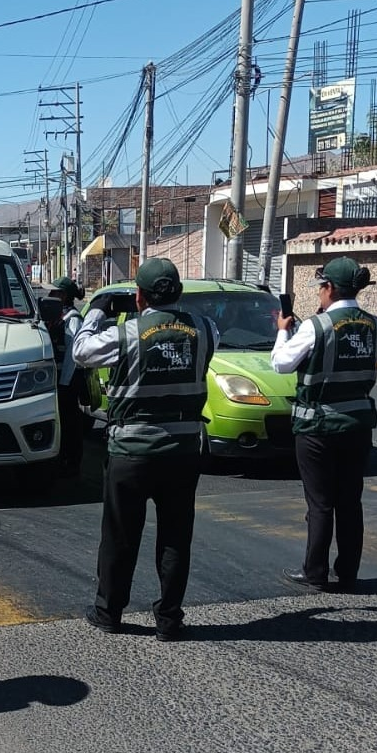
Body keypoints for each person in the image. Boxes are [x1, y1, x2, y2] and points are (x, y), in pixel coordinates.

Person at [73, 257, 218, 640]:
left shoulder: (129, 334)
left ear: (138, 297)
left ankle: (109, 611)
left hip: (132, 451)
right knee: (175, 535)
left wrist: (96, 315)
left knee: (120, 534)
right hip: (183, 451)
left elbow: (82, 353)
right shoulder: (205, 330)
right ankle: (169, 618)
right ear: (180, 294)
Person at [271, 256, 377, 593]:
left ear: (330, 288)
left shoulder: (316, 326)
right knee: (350, 500)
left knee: (320, 503)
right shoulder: (375, 324)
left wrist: (281, 334)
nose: (319, 294)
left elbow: (280, 364)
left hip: (318, 427)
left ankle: (315, 571)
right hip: (358, 425)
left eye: (321, 287)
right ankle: (348, 571)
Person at [47, 276, 87, 477]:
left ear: (64, 296)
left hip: (69, 380)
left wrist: (64, 383)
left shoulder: (73, 319)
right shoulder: (59, 315)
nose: (50, 295)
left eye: (55, 292)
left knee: (71, 422)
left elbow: (73, 354)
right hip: (60, 377)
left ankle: (72, 461)